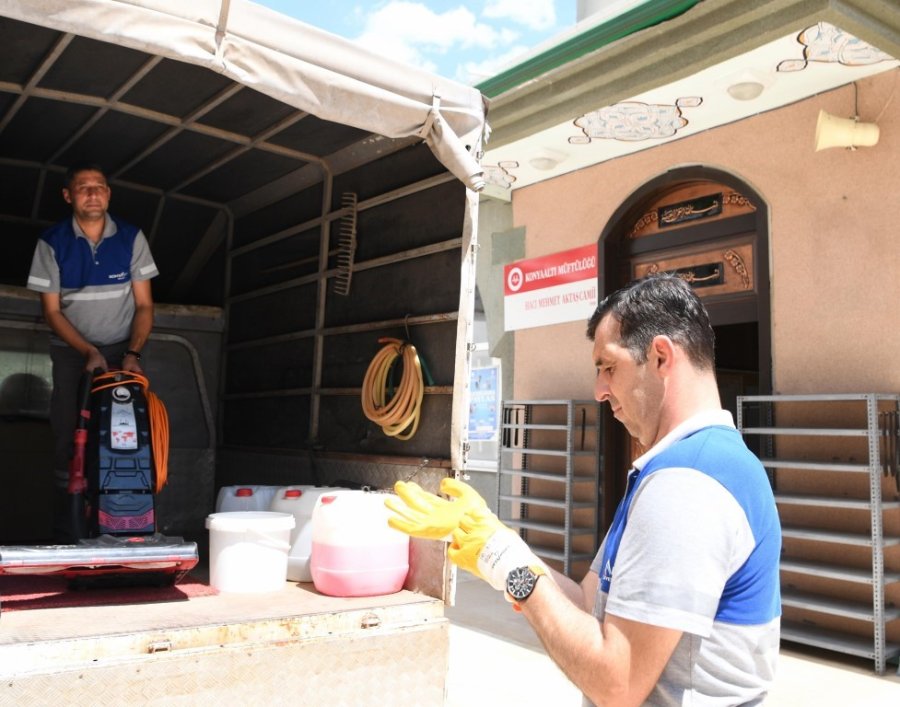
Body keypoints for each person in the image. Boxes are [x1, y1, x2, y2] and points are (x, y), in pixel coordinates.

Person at [386, 273, 782, 706]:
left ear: (662, 357)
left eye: (609, 367)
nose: (599, 391)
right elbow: (587, 602)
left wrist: (505, 562)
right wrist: (493, 541)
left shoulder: (688, 484)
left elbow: (618, 684)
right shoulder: (680, 468)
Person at [26, 161, 158, 542]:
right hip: (71, 351)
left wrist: (133, 352)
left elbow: (145, 306)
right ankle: (67, 528)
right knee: (71, 433)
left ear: (108, 194)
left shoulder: (131, 238)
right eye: (83, 188)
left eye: (99, 186)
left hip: (123, 348)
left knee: (131, 434)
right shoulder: (52, 243)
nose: (93, 193)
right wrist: (87, 351)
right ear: (69, 196)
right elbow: (51, 312)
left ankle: (130, 524)